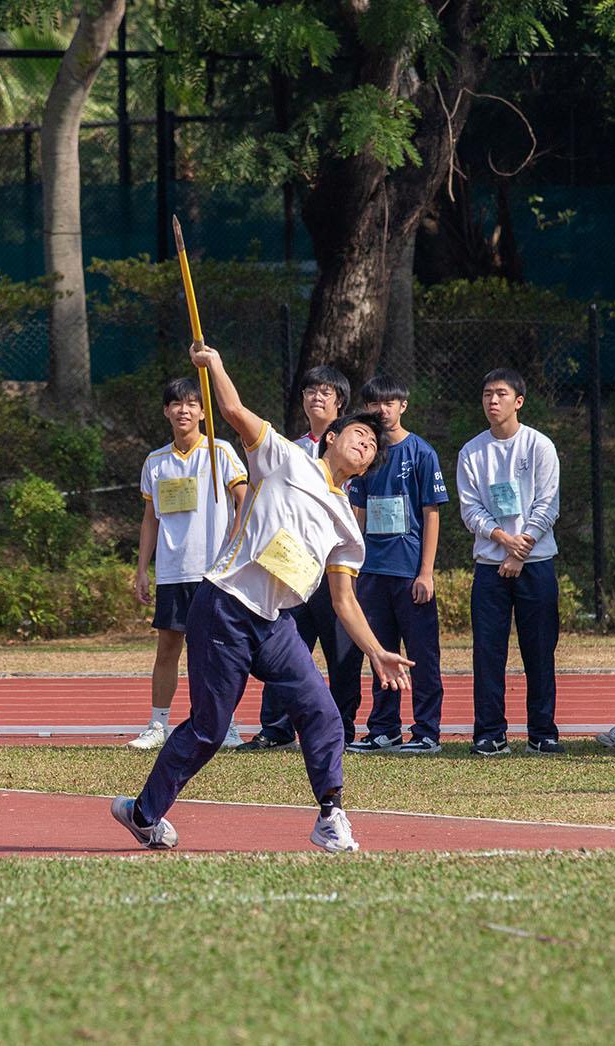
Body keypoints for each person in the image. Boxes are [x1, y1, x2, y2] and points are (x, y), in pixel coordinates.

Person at [112, 342, 413, 852]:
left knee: (322, 712)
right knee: (209, 728)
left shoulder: (348, 527)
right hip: (224, 606)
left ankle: (330, 815)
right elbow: (232, 410)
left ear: (366, 469)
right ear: (332, 437)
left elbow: (344, 601)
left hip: (275, 624)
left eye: (371, 448)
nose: (365, 445)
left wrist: (377, 651)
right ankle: (143, 813)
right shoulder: (286, 458)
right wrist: (215, 364)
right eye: (359, 435)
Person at [238, 364, 363, 750]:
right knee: (283, 648)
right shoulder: (289, 450)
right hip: (291, 570)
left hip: (334, 571)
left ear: (340, 403)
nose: (317, 397)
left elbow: (357, 513)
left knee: (343, 653)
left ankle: (342, 729)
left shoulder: (356, 451)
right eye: (311, 391)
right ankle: (276, 729)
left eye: (326, 392)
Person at [128, 378, 249, 751]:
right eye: (177, 404)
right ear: (167, 411)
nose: (184, 410)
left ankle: (226, 724)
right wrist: (142, 569)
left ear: (203, 412)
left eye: (192, 404)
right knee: (167, 649)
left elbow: (244, 499)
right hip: (172, 572)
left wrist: (234, 548)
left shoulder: (220, 451)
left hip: (213, 573)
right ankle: (157, 724)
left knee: (215, 651)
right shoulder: (155, 461)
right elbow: (150, 519)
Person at [456, 368, 562, 756]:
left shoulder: (539, 446)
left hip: (536, 563)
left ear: (519, 401)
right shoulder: (471, 452)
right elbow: (471, 510)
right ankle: (490, 733)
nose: (493, 401)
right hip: (490, 566)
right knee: (488, 652)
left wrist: (521, 551)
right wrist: (504, 541)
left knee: (539, 650)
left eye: (501, 394)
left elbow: (548, 505)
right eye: (487, 394)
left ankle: (542, 732)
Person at [345, 375, 449, 754]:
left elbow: (431, 513)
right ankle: (384, 729)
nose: (382, 410)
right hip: (373, 572)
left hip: (409, 572)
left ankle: (426, 731)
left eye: (389, 403)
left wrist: (426, 572)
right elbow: (357, 513)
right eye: (374, 404)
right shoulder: (366, 454)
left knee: (422, 655)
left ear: (403, 406)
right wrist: (352, 565)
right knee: (379, 652)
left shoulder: (421, 453)